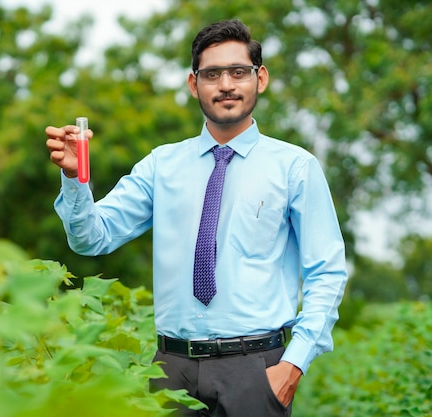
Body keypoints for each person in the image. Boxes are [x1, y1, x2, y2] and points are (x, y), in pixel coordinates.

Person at [45, 19, 348, 417]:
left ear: (261, 79)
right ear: (194, 85)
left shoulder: (294, 167)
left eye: (238, 72)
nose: (226, 84)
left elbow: (326, 272)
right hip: (172, 369)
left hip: (257, 369)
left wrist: (293, 364)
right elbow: (92, 238)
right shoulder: (162, 165)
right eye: (212, 74)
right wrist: (74, 178)